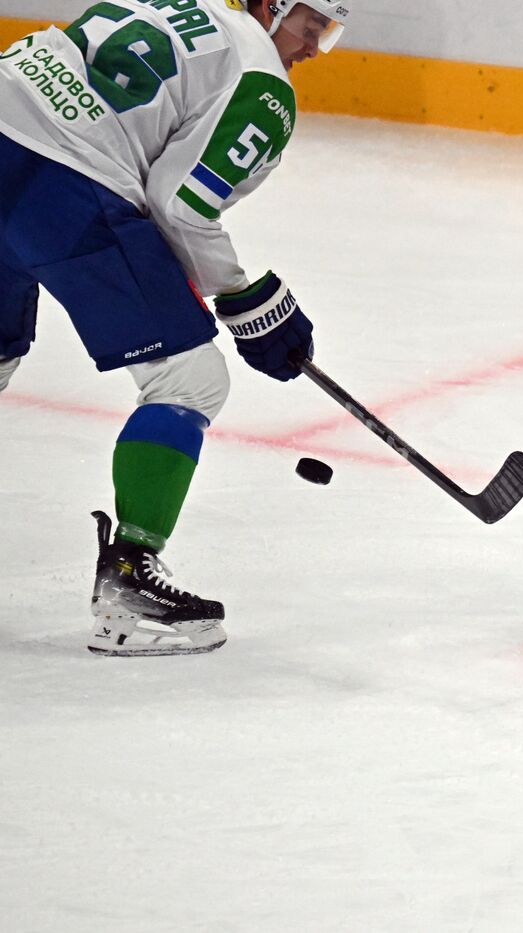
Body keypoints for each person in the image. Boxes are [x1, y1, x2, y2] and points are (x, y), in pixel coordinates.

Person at [0, 0, 350, 656]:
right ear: (272, 7)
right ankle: (130, 583)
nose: (312, 47)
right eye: (312, 25)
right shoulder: (264, 84)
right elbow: (179, 204)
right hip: (63, 177)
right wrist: (247, 299)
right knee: (190, 377)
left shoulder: (176, 5)